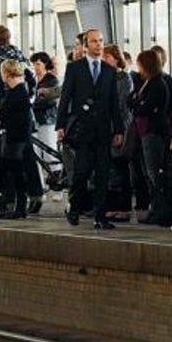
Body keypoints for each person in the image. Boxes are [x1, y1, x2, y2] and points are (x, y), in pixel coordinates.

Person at [56, 29, 124, 228]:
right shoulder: (75, 68)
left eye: (101, 41)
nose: (99, 45)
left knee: (103, 174)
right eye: (94, 41)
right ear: (86, 46)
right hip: (82, 130)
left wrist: (118, 129)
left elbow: (114, 104)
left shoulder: (109, 71)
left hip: (103, 130)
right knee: (82, 171)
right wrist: (60, 124)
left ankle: (100, 216)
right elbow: (65, 97)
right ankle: (74, 206)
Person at [129, 49, 172, 223]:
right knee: (148, 172)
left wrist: (136, 102)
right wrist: (136, 102)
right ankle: (154, 208)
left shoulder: (158, 84)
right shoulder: (147, 82)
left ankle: (161, 209)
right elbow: (132, 100)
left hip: (154, 132)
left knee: (154, 172)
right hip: (145, 131)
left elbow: (144, 107)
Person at [0, 59, 33, 219]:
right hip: (17, 137)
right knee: (12, 170)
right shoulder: (19, 90)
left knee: (13, 171)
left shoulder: (17, 92)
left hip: (15, 139)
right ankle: (14, 204)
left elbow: (0, 115)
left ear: (6, 73)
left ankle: (18, 205)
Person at [102, 44, 133, 220]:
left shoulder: (123, 78)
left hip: (119, 126)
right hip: (107, 126)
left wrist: (119, 130)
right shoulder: (105, 77)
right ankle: (112, 205)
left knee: (120, 167)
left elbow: (121, 106)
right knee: (110, 168)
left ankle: (123, 208)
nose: (105, 60)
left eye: (108, 57)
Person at [30, 51, 61, 195]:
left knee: (50, 153)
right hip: (35, 122)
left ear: (45, 65)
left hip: (47, 121)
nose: (35, 67)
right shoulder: (34, 82)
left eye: (38, 64)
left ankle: (58, 185)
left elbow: (50, 101)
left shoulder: (51, 80)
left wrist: (33, 104)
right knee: (35, 155)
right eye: (34, 64)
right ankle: (39, 186)